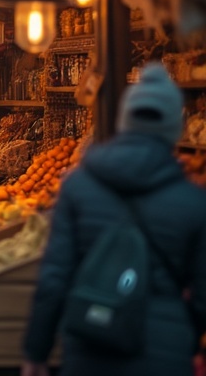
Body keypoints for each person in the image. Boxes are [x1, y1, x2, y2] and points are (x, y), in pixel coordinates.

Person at [22, 62, 206, 376]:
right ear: (174, 128)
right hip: (165, 354)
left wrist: (36, 352)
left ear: (124, 121)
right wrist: (181, 332)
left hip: (92, 343)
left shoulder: (77, 187)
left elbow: (54, 280)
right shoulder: (193, 202)